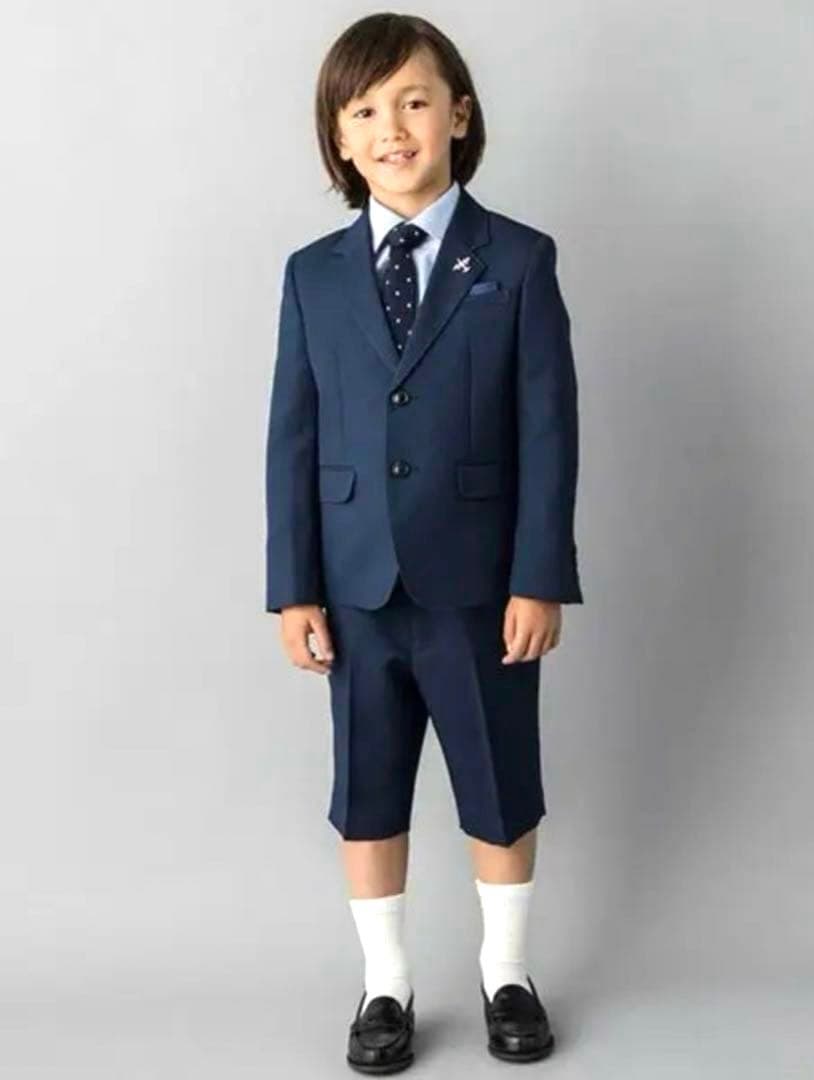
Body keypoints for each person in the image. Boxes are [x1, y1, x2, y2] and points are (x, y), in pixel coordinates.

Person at [264, 12, 583, 1072]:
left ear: (459, 114)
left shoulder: (518, 260)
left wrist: (538, 575)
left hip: (482, 584)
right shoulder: (312, 275)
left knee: (498, 779)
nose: (391, 128)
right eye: (364, 111)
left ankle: (507, 973)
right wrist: (293, 588)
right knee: (368, 786)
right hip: (354, 582)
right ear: (339, 138)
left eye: (412, 101)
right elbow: (292, 436)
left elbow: (548, 430)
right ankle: (385, 986)